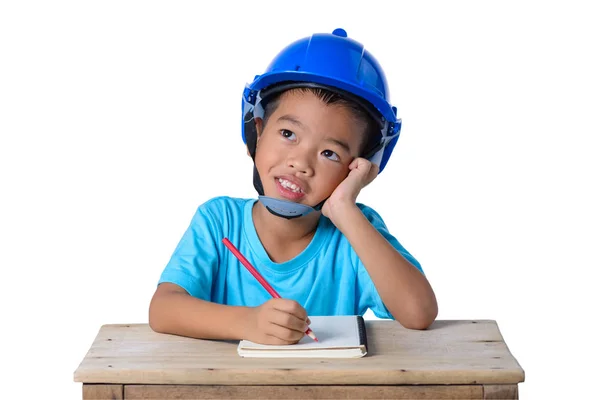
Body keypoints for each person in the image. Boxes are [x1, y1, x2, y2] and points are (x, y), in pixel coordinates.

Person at [149, 28, 437, 345]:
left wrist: (345, 209)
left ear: (357, 167)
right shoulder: (219, 221)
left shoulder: (356, 233)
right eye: (288, 134)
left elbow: (418, 313)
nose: (301, 162)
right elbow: (163, 309)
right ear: (256, 133)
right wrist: (248, 323)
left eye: (330, 153)